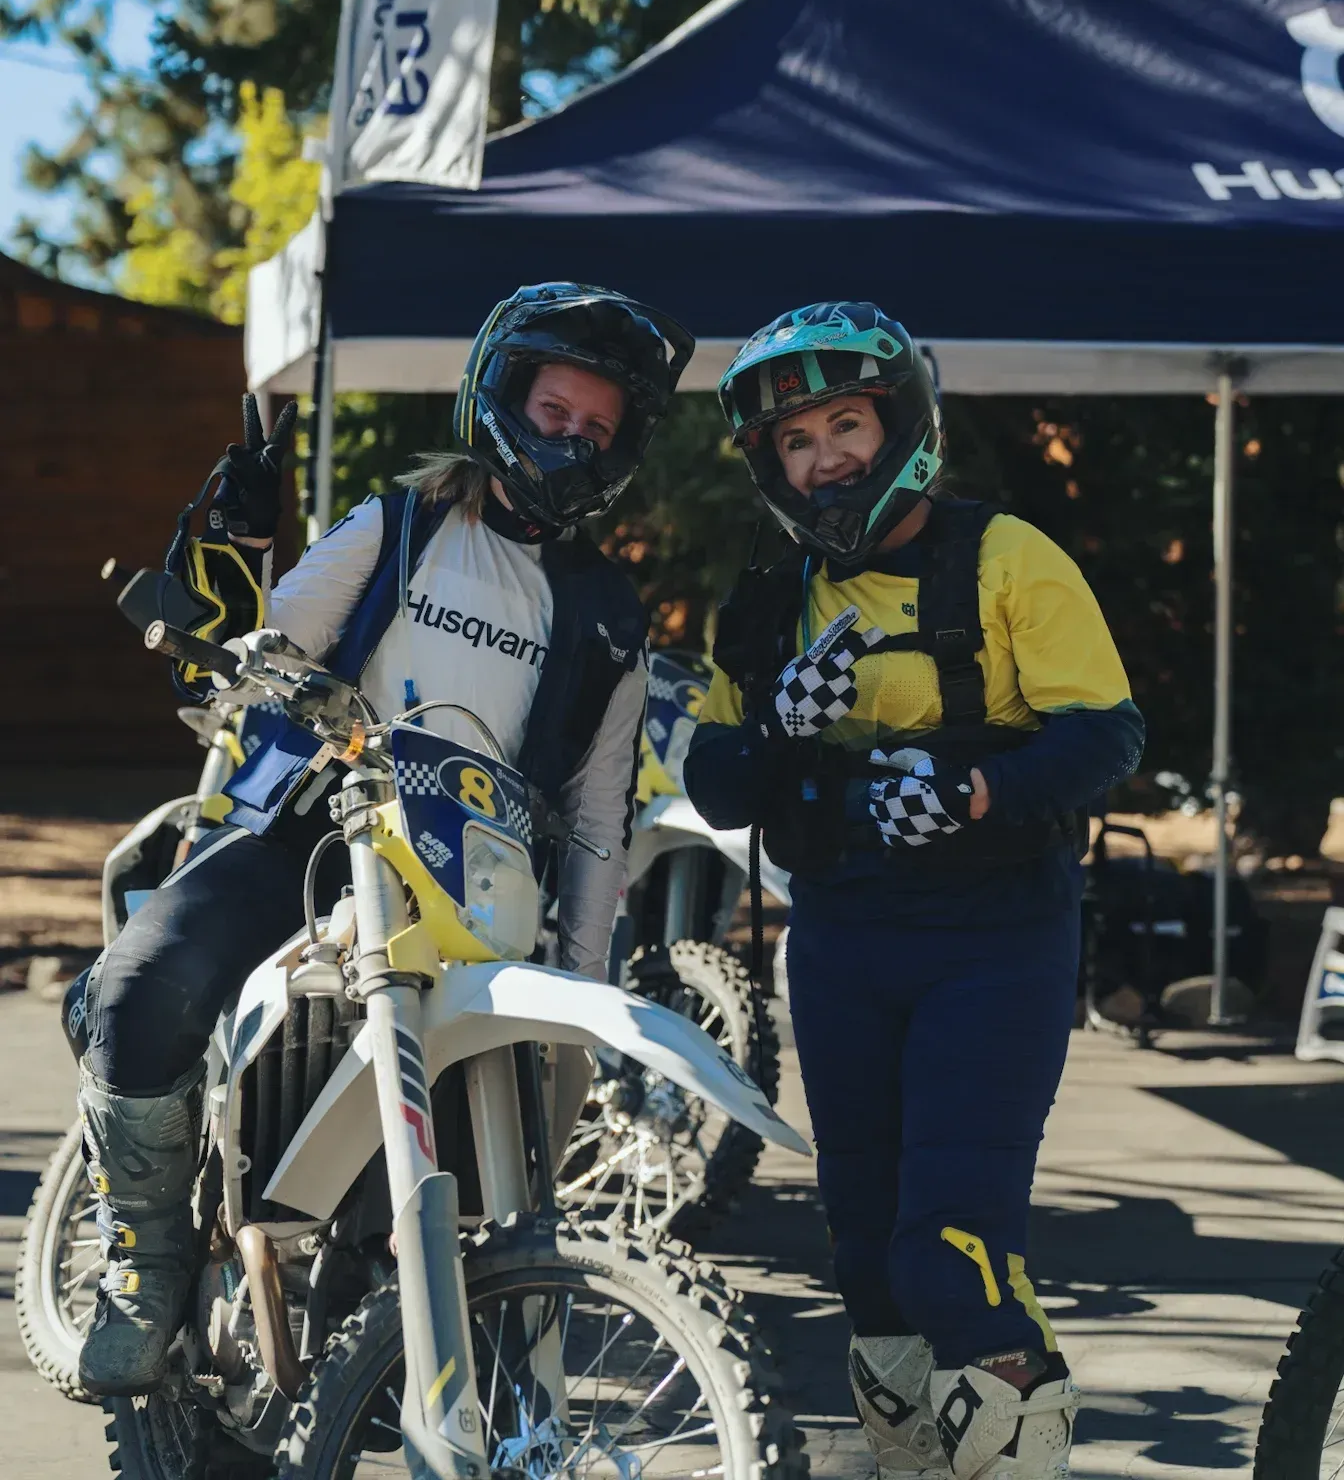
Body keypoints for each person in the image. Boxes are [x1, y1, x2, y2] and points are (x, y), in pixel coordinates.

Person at [77, 281, 694, 1397]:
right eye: (556, 410)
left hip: (480, 890)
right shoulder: (400, 522)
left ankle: (380, 1317)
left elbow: (601, 821)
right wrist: (229, 562)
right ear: (503, 397)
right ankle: (145, 1257)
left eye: (599, 427)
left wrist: (582, 995)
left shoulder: (608, 613)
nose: (572, 439)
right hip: (319, 832)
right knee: (143, 987)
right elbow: (257, 653)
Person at [683, 302, 1144, 1480]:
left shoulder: (1007, 557)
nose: (825, 455)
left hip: (994, 941)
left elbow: (1108, 736)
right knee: (870, 1269)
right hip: (840, 937)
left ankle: (1016, 1452)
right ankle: (911, 1461)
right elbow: (716, 782)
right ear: (770, 465)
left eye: (846, 422)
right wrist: (782, 721)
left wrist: (979, 792)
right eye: (796, 440)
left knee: (952, 1250)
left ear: (905, 426)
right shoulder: (768, 598)